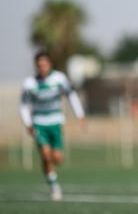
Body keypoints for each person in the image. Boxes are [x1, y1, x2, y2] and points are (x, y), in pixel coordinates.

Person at [19, 50, 87, 201]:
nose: (42, 67)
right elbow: (23, 105)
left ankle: (50, 170)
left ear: (49, 64)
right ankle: (54, 186)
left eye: (45, 64)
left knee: (57, 158)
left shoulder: (59, 79)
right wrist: (28, 123)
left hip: (56, 122)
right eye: (39, 65)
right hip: (39, 124)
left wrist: (80, 115)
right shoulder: (30, 84)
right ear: (36, 66)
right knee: (45, 154)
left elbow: (71, 96)